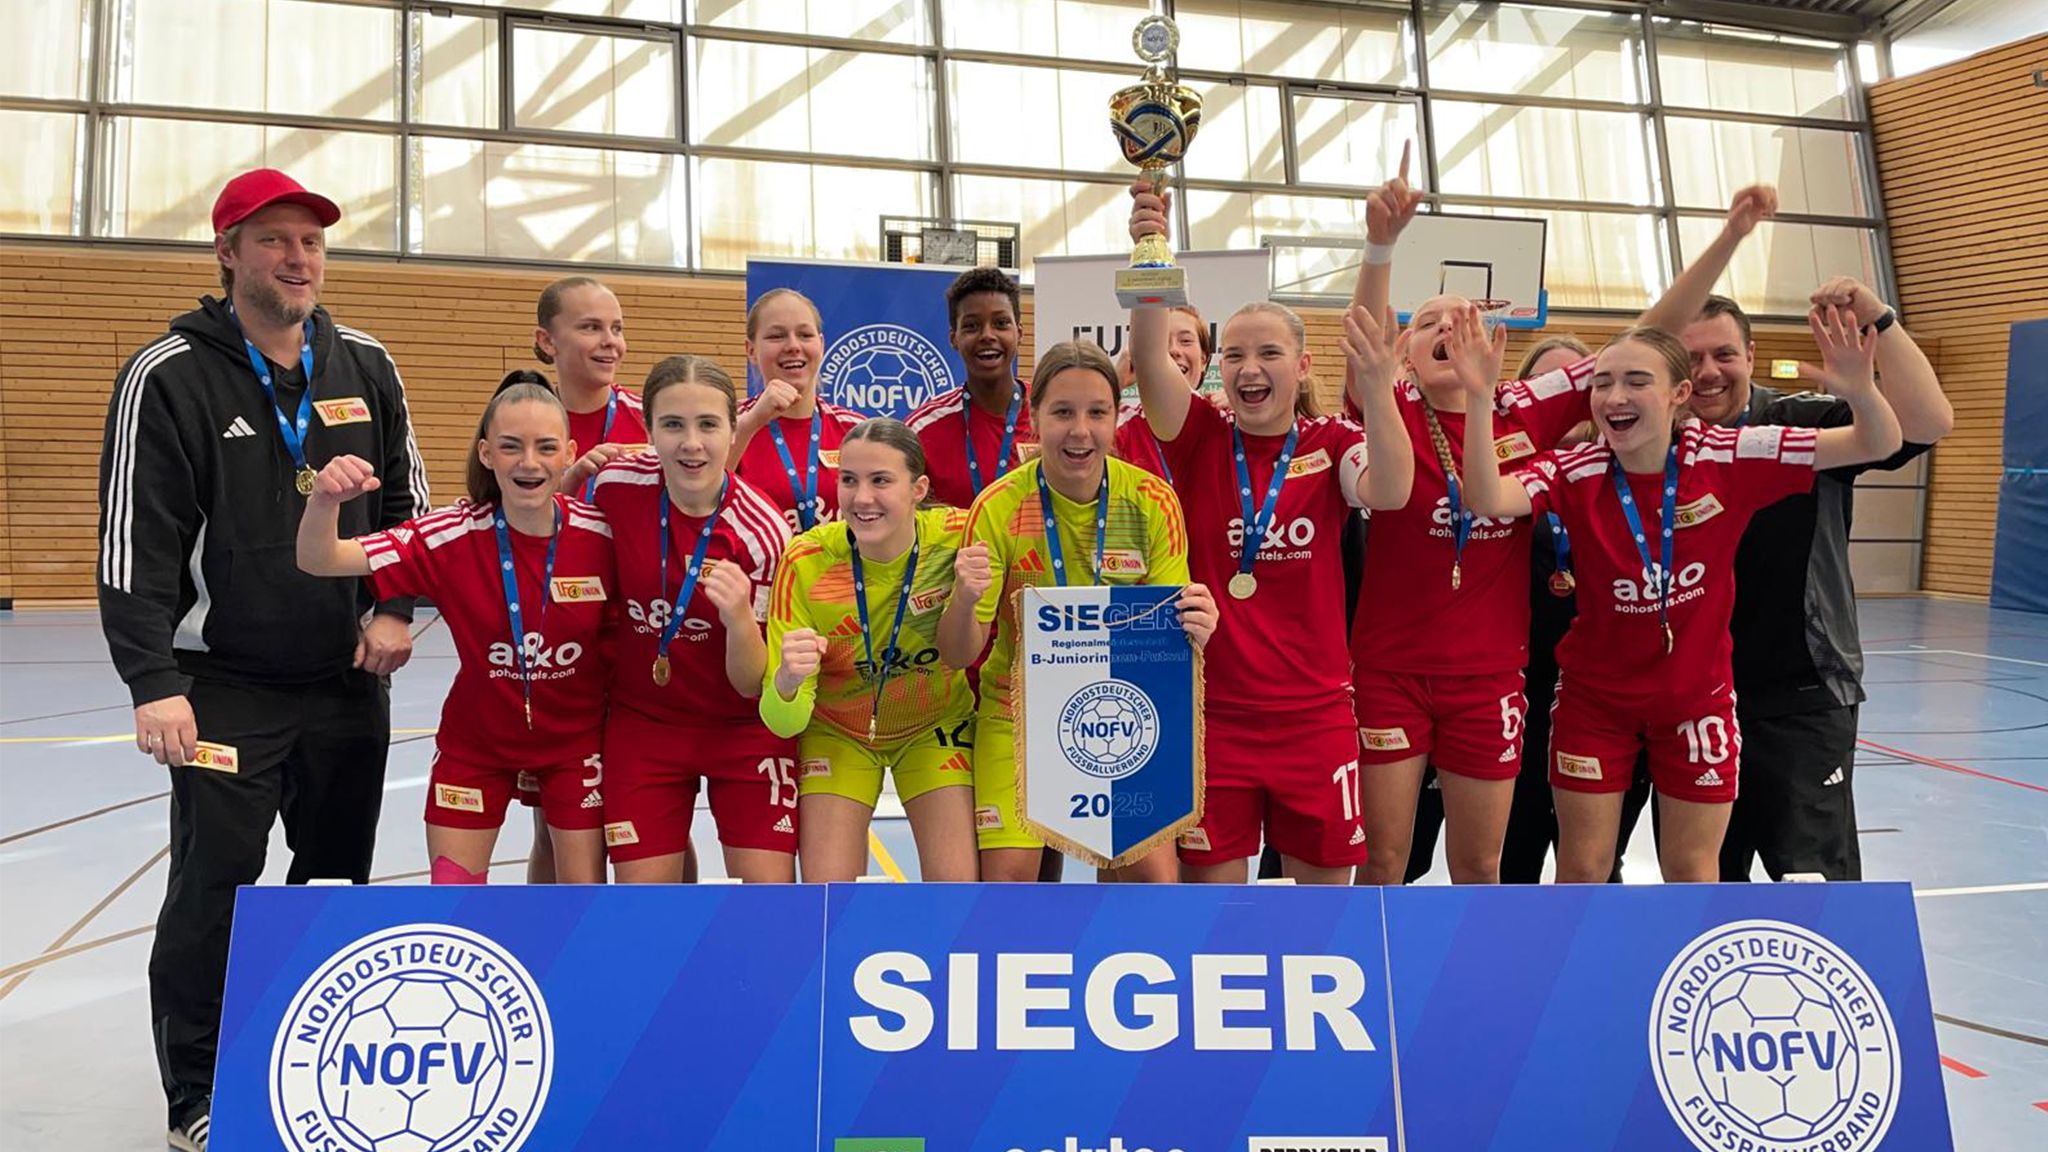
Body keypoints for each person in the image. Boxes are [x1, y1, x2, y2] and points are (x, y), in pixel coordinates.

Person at [95, 168, 426, 1152]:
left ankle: (310, 1066)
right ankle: (196, 1096)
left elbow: (407, 511)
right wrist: (154, 682)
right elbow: (133, 543)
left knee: (331, 883)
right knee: (215, 890)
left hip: (344, 683)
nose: (298, 258)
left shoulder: (365, 363)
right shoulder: (168, 374)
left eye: (312, 242)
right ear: (227, 254)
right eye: (274, 240)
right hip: (221, 687)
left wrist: (394, 607)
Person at [1346, 152, 1779, 886]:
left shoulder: (1529, 407)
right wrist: (1382, 246)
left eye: (1469, 316)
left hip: (1488, 675)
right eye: (1428, 324)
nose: (1452, 322)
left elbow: (1654, 332)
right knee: (1384, 859)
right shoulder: (1384, 411)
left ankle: (1476, 997)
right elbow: (1364, 340)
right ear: (1406, 358)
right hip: (1389, 668)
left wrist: (1732, 235)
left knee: (1480, 863)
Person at [1455, 307, 1903, 883]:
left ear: (1679, 393)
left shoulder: (1730, 454)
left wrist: (1862, 389)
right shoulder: (1576, 468)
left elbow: (1879, 441)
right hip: (1597, 704)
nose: (1615, 395)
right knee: (1583, 868)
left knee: (1693, 870)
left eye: (1637, 381)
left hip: (1696, 702)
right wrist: (1476, 398)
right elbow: (1488, 498)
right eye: (1602, 383)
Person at [1125, 182, 1413, 885]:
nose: (1249, 369)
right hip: (1211, 716)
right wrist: (1149, 250)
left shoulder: (1333, 439)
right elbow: (1153, 359)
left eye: (1270, 354)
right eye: (1235, 357)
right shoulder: (1198, 435)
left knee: (1321, 916)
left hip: (1315, 720)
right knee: (1211, 916)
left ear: (1303, 364)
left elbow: (1393, 489)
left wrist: (1378, 391)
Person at [297, 373, 613, 887]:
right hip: (477, 746)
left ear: (569, 453)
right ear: (487, 454)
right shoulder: (450, 534)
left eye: (545, 447)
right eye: (511, 447)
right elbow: (318, 558)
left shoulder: (603, 535)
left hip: (576, 748)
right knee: (451, 900)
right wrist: (325, 501)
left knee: (579, 905)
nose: (528, 463)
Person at [1679, 281, 1949, 881]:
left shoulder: (1800, 423)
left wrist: (1879, 320)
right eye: (1691, 358)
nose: (1709, 372)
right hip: (1690, 700)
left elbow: (1928, 423)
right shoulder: (1654, 441)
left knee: (1810, 884)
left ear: (1750, 356)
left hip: (1800, 693)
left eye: (1723, 354)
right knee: (1702, 887)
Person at [938, 341, 1218, 883]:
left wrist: (1196, 625)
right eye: (1063, 412)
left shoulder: (1151, 501)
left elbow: (1169, 641)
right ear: (1035, 416)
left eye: (1097, 412)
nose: (1080, 431)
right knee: (1010, 886)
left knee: (1153, 882)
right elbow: (957, 653)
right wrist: (965, 600)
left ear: (1118, 418)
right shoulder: (997, 507)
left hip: (1122, 709)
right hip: (1014, 715)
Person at [578, 356, 796, 883]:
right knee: (645, 904)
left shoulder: (763, 533)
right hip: (645, 725)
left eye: (708, 425)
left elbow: (751, 684)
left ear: (731, 429)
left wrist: (740, 616)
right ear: (648, 429)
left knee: (769, 903)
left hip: (742, 730)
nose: (691, 443)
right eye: (673, 425)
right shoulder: (615, 486)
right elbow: (555, 533)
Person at [764, 419, 980, 882]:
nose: (861, 498)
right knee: (827, 896)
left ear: (918, 488)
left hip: (933, 725)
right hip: (838, 732)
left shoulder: (962, 536)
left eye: (880, 480)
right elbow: (783, 719)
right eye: (849, 480)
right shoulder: (805, 560)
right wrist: (786, 680)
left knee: (956, 891)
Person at [526, 273, 664, 883]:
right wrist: (569, 484)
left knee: (655, 826)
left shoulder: (654, 421)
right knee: (555, 831)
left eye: (617, 328)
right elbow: (491, 524)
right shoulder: (525, 422)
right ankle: (548, 954)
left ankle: (664, 953)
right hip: (557, 655)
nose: (610, 342)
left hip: (640, 650)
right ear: (546, 342)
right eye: (590, 327)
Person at [730, 288, 865, 531]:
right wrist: (752, 423)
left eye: (804, 335)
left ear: (821, 345)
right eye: (776, 336)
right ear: (751, 350)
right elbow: (698, 497)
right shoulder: (727, 426)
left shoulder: (856, 429)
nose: (793, 345)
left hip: (840, 569)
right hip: (755, 570)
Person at [908, 268, 1035, 509]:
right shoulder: (922, 429)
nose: (987, 335)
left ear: (1019, 333)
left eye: (1000, 323)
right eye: (972, 326)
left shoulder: (1049, 414)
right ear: (954, 338)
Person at [1114, 306, 1213, 481]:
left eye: (1185, 341)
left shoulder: (1224, 419)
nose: (1174, 350)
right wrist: (1115, 383)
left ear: (1204, 360)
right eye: (1161, 344)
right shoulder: (1123, 422)